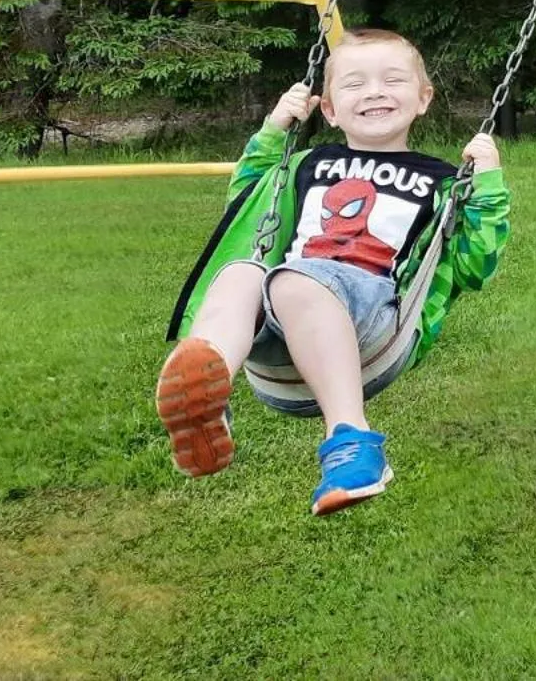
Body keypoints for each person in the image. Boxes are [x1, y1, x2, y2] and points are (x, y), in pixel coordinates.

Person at [155, 28, 509, 515]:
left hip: (372, 319)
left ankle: (351, 440)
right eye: (355, 84)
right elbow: (248, 198)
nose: (375, 92)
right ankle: (208, 388)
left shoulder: (441, 181)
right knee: (240, 273)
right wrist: (275, 130)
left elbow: (474, 264)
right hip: (285, 328)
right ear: (329, 110)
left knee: (295, 279)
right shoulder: (307, 162)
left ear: (423, 98)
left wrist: (487, 184)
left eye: (393, 80)